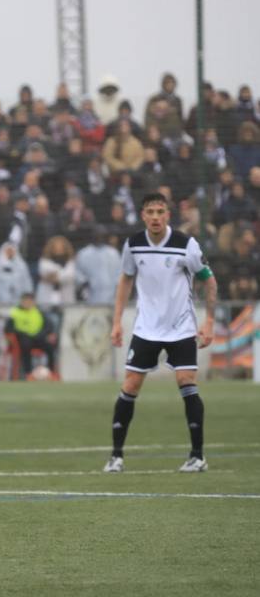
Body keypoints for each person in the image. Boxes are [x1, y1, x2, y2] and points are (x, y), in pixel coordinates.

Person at [104, 193, 217, 474]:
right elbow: (125, 280)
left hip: (181, 327)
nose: (155, 217)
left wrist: (210, 321)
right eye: (150, 212)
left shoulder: (185, 245)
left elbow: (209, 280)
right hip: (146, 328)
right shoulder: (133, 245)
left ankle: (197, 456)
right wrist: (117, 321)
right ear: (143, 215)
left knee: (186, 381)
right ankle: (116, 457)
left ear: (168, 215)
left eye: (160, 212)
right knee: (130, 385)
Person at [4, 292, 57, 378]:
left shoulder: (39, 312)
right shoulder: (15, 313)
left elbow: (49, 326)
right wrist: (21, 333)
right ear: (21, 302)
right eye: (26, 301)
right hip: (23, 338)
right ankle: (28, 373)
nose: (28, 303)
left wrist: (41, 334)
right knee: (26, 346)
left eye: (30, 301)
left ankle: (51, 373)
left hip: (38, 338)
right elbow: (8, 328)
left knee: (50, 347)